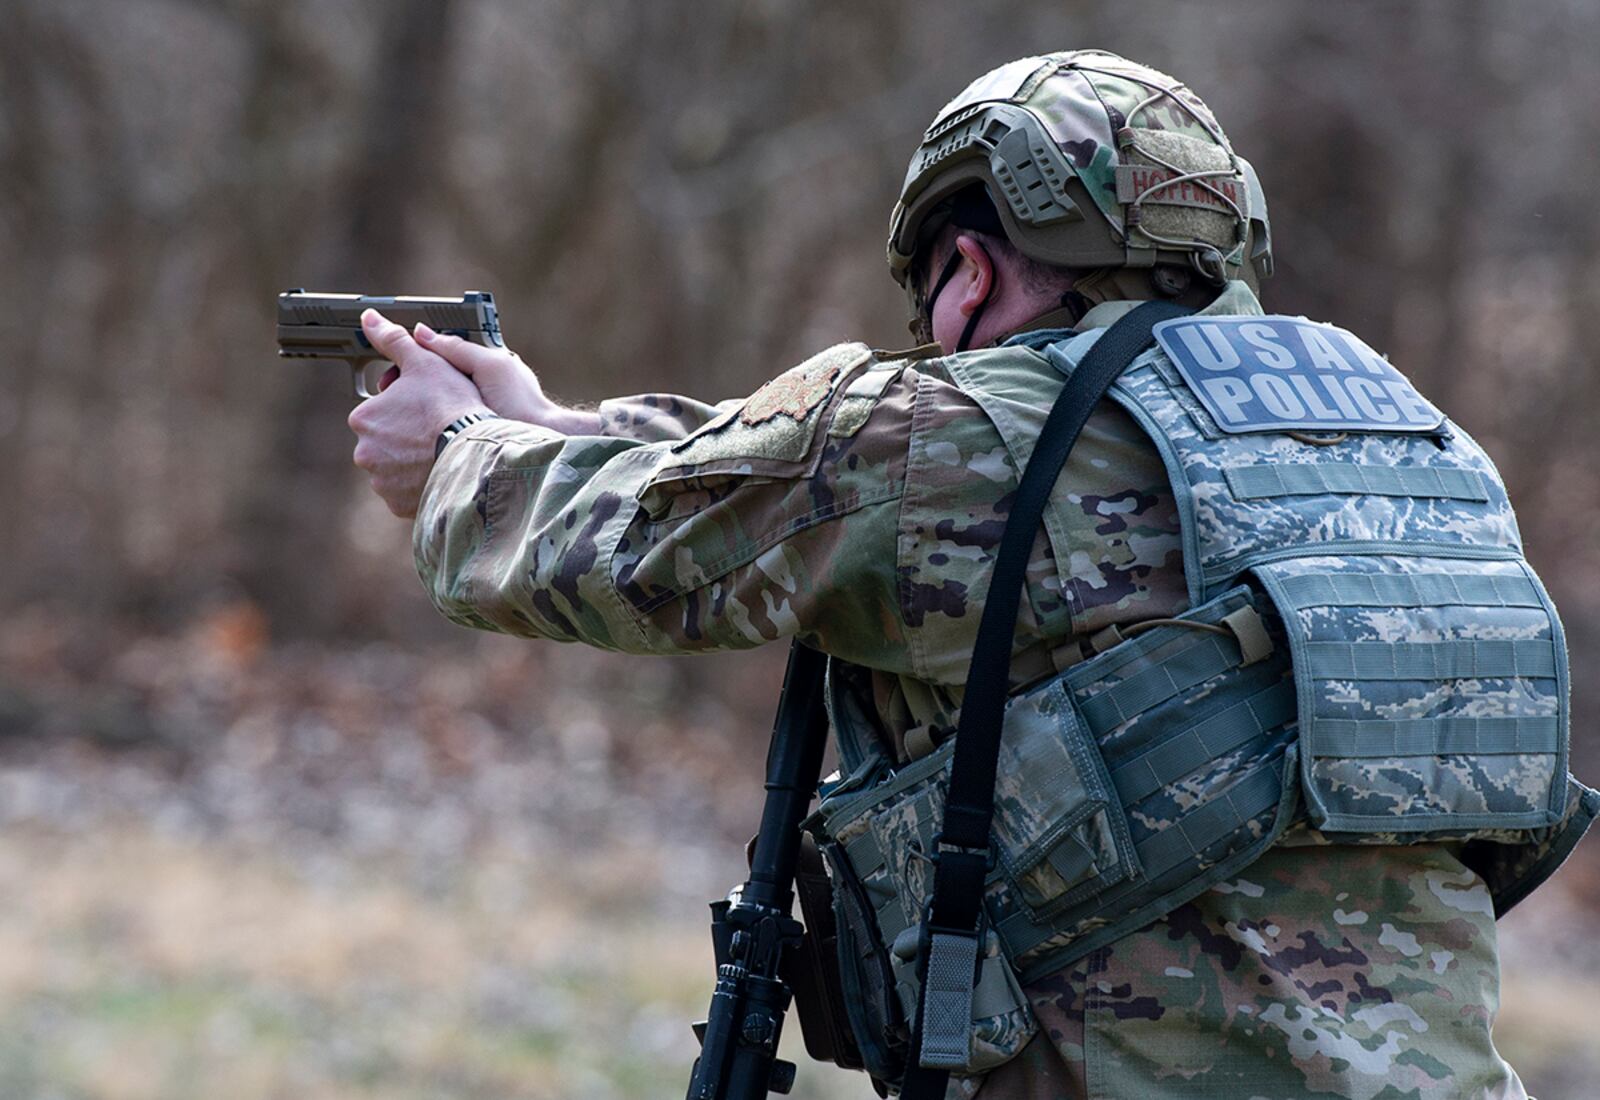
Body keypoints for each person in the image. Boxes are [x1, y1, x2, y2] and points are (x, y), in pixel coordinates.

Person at [347, 50, 1594, 1100]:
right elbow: (794, 480)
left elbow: (617, 549)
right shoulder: (1405, 439)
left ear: (973, 268)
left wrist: (459, 455)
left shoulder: (961, 440)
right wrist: (554, 423)